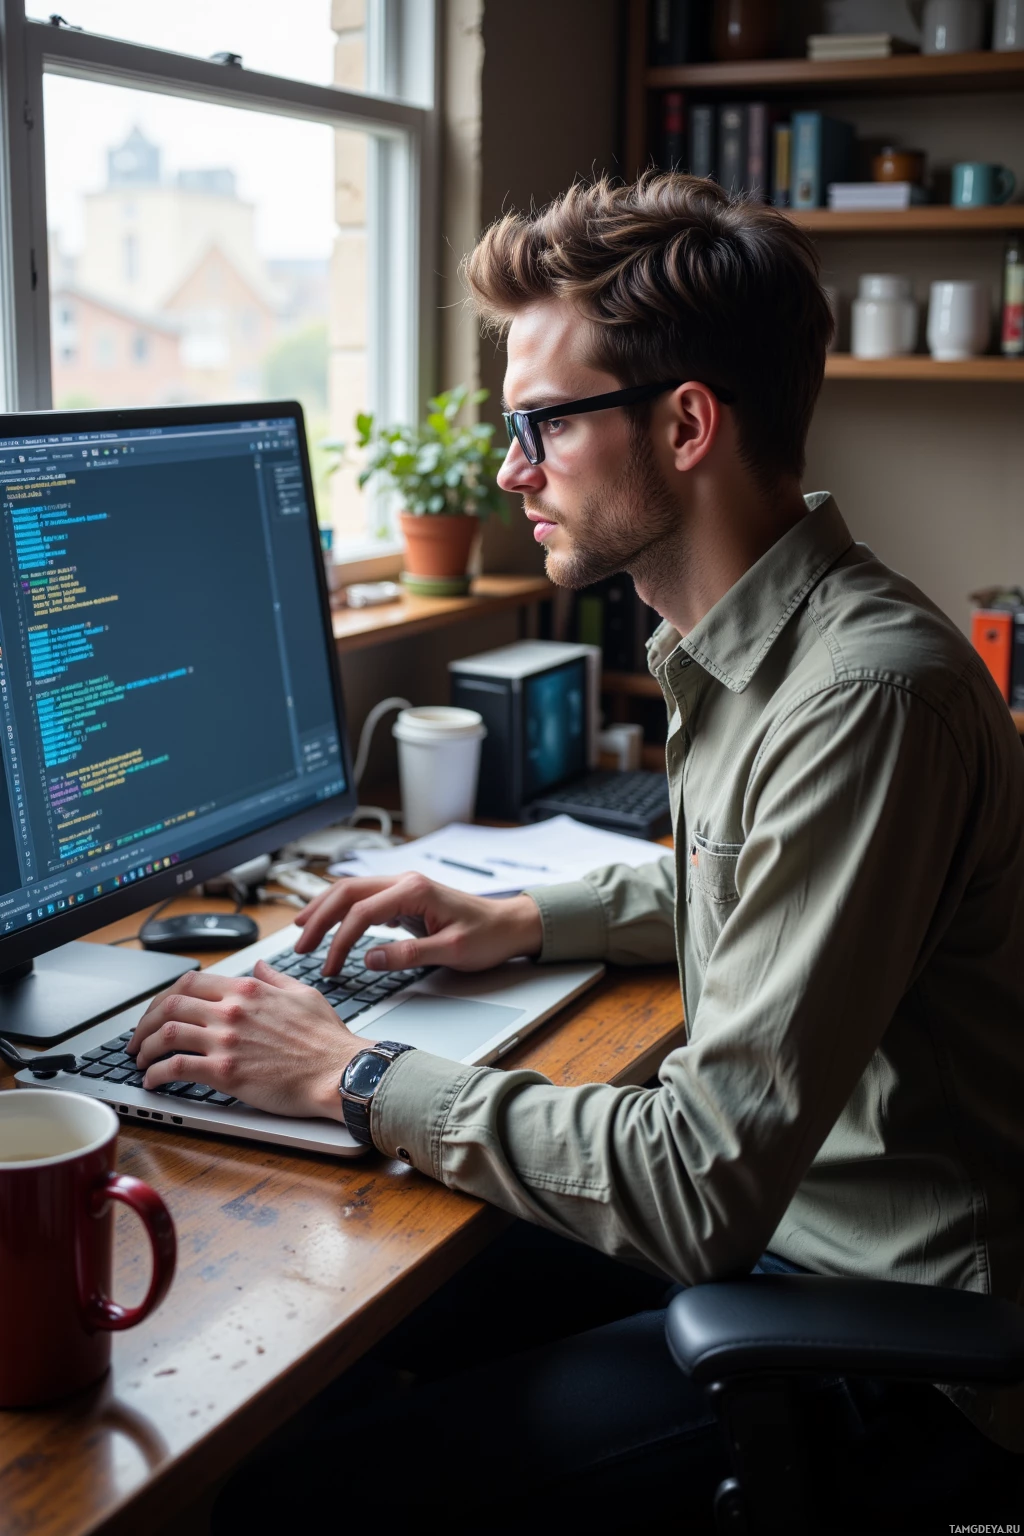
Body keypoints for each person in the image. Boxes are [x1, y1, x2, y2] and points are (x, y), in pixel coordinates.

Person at [134, 175, 1024, 1529]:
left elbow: (693, 1186)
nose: (508, 471)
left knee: (283, 1488)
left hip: (885, 1336)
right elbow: (765, 889)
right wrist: (522, 915)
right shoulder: (775, 650)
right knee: (367, 1310)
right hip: (793, 1238)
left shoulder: (861, 701)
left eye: (540, 424)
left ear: (684, 425)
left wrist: (351, 1069)